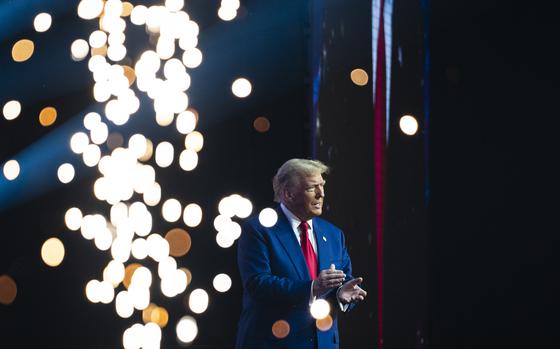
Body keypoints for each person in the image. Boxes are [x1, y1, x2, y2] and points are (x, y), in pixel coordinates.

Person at [236, 158, 367, 349]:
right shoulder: (258, 230)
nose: (321, 194)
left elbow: (344, 279)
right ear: (289, 194)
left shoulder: (333, 234)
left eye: (322, 186)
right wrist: (312, 288)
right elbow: (258, 285)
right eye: (312, 188)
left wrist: (342, 294)